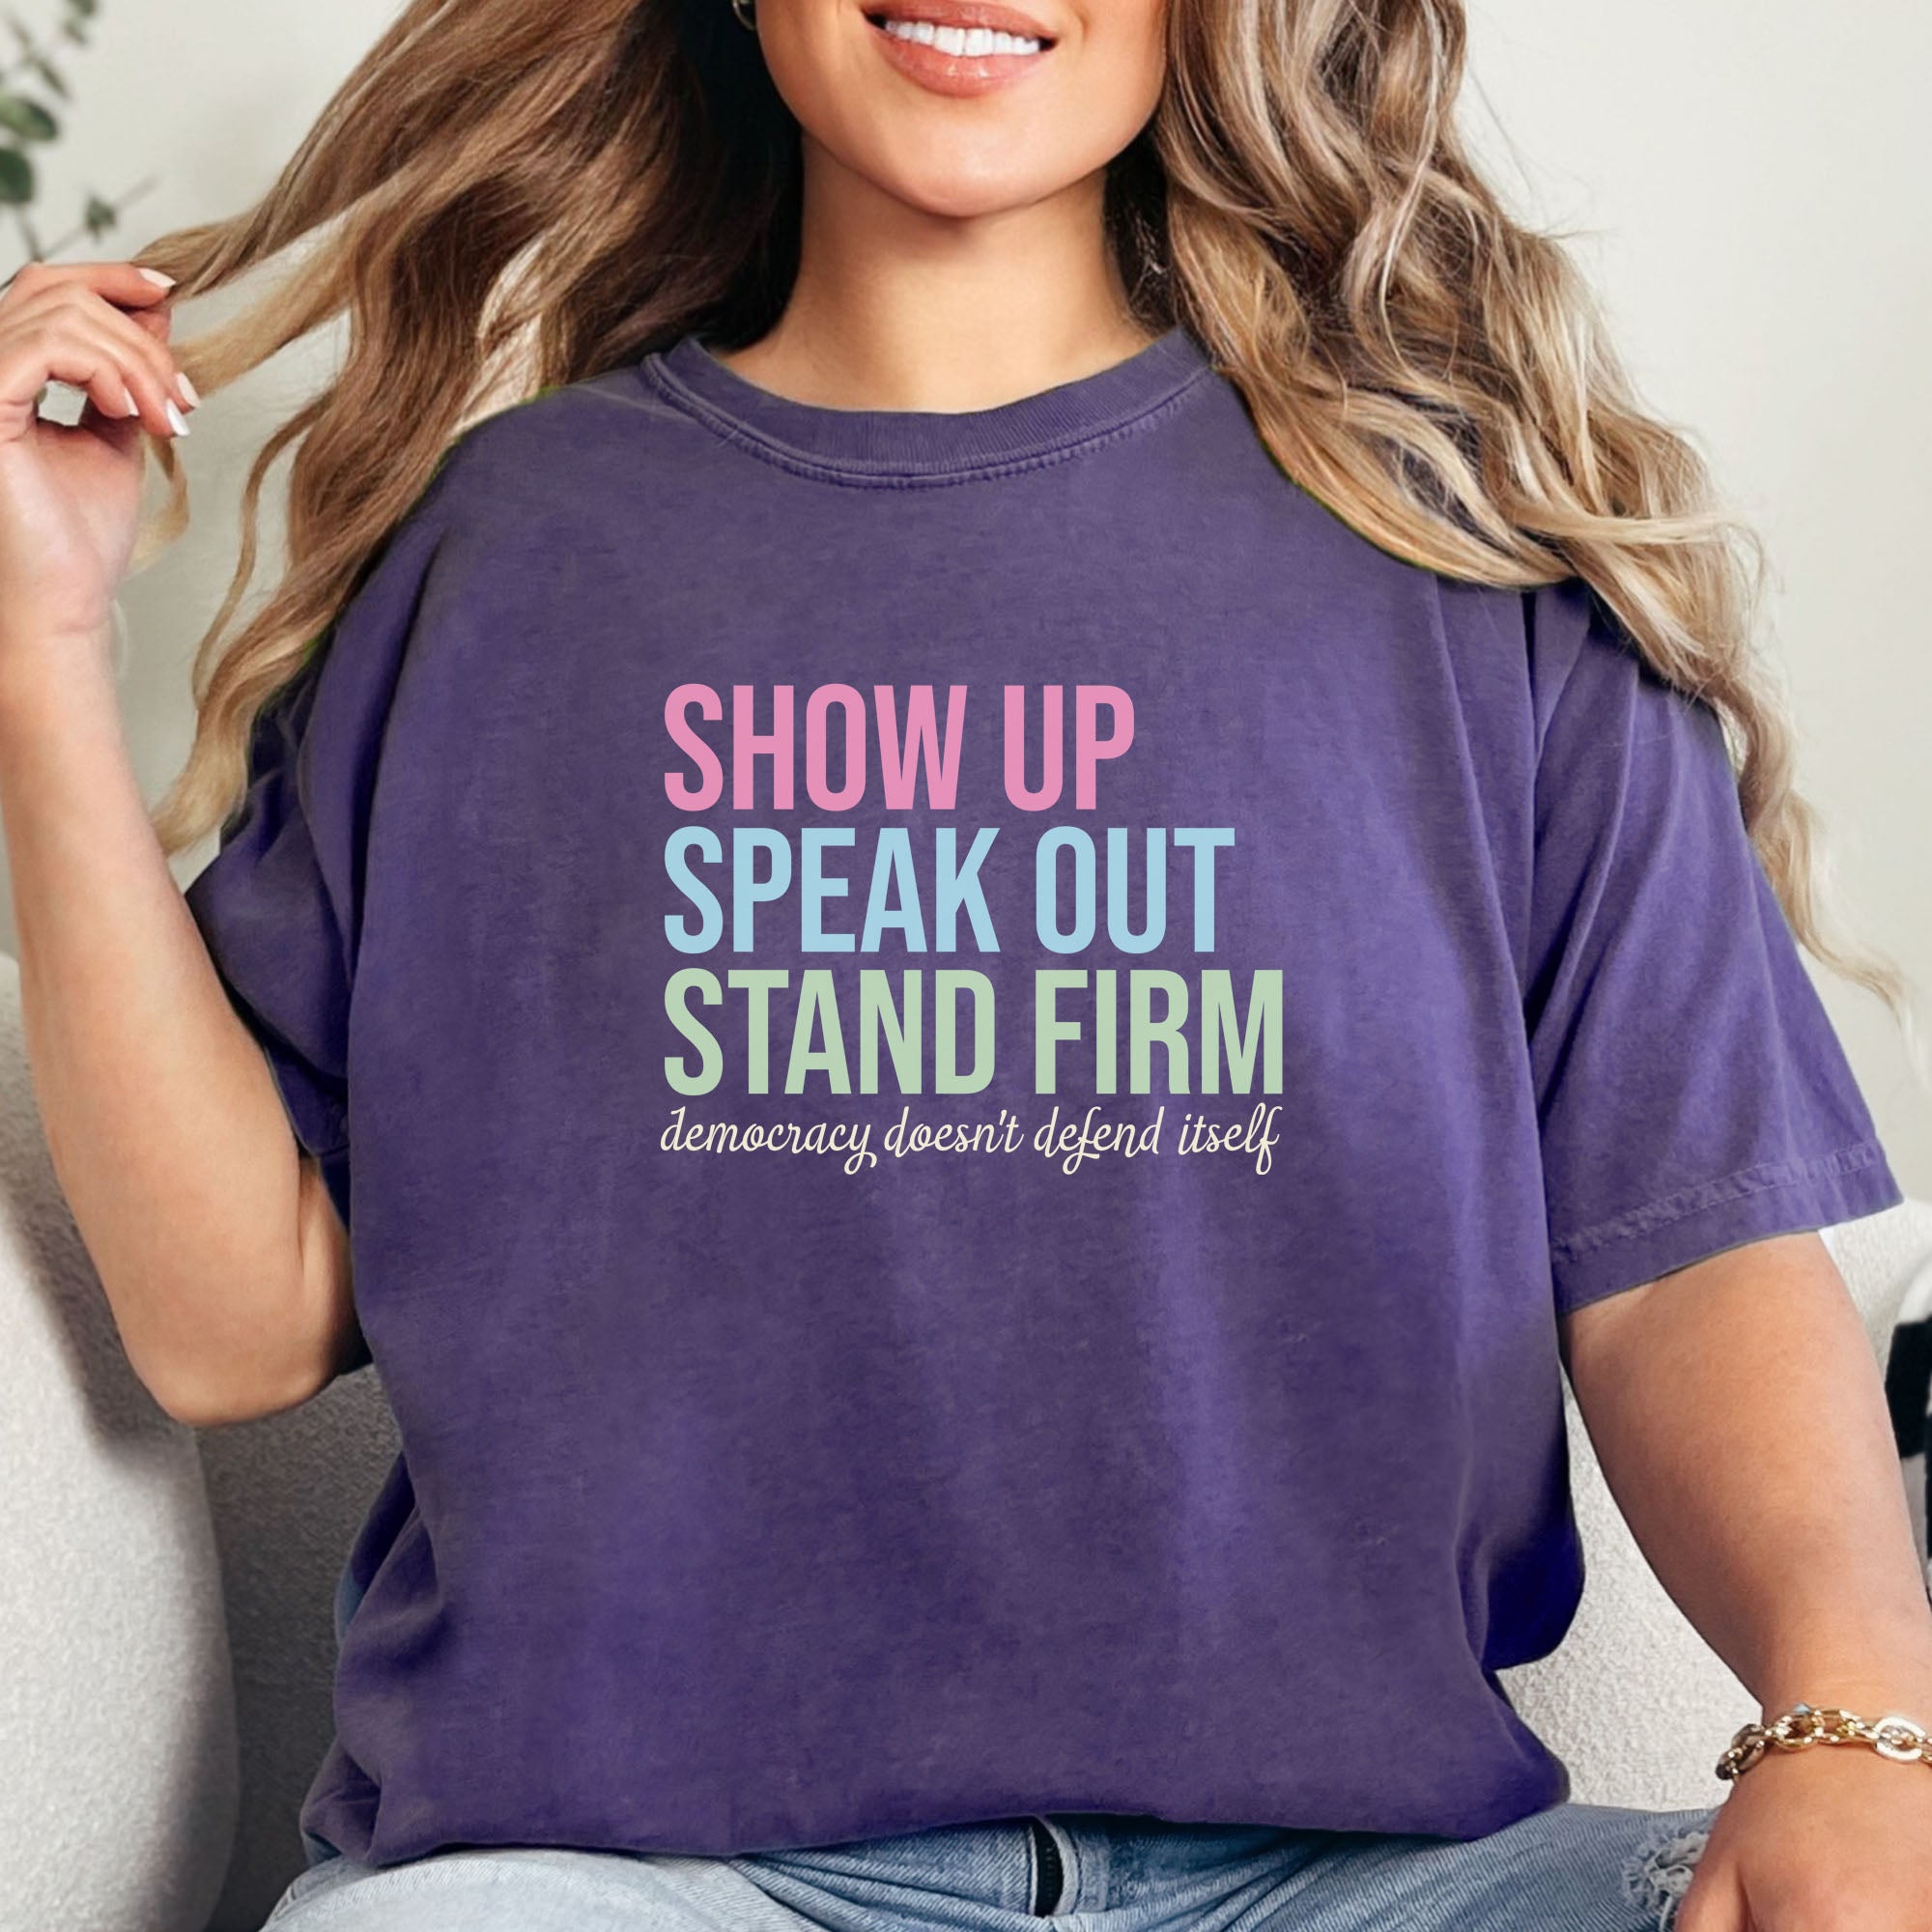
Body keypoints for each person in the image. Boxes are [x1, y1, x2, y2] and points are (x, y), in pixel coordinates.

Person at [1, 0, 1927, 1925]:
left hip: (1362, 1891)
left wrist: (1855, 1723)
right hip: (638, 1887)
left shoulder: (1467, 560)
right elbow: (227, 1318)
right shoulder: (506, 558)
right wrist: (38, 643)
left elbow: (1686, 1255)